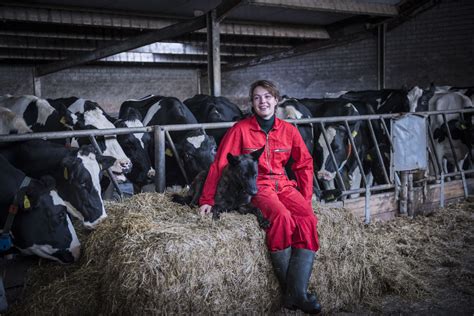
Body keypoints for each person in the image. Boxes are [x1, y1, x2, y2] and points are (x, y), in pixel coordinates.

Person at [199, 80, 321, 314]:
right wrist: (207, 199)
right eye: (256, 97)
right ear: (252, 103)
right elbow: (220, 163)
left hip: (284, 185)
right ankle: (297, 294)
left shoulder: (289, 130)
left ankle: (294, 294)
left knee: (307, 219)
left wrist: (305, 197)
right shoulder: (240, 129)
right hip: (258, 187)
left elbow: (304, 163)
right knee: (281, 218)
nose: (262, 101)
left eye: (267, 96)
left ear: (276, 100)